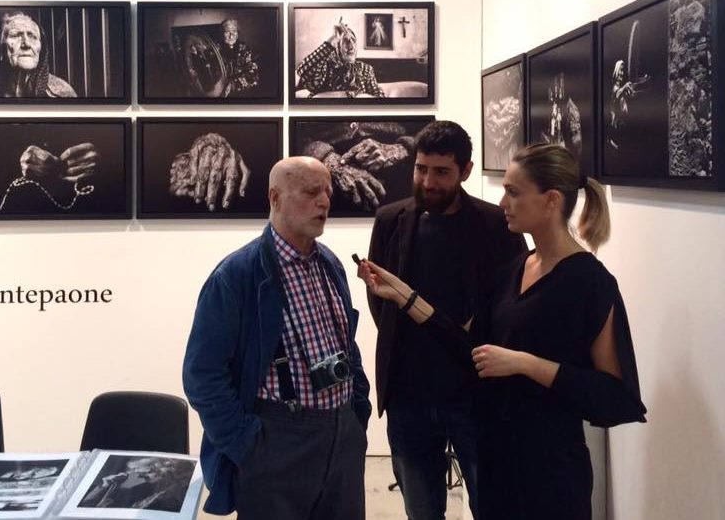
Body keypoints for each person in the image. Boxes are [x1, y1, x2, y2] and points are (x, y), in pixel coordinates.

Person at [359, 144, 647, 520]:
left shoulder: (590, 282)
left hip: (550, 470)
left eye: (513, 192)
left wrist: (528, 364)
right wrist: (405, 296)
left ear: (551, 200)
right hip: (499, 458)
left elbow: (616, 397)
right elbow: (472, 347)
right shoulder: (516, 269)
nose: (502, 202)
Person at [183, 156, 371, 520]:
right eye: (311, 192)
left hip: (342, 439)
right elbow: (202, 375)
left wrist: (356, 411)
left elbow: (347, 342)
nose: (324, 202)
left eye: (327, 192)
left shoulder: (330, 264)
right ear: (275, 197)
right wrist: (248, 445)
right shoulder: (237, 276)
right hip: (277, 443)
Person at [365, 120, 526, 520]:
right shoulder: (390, 219)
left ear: (465, 171)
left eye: (441, 172)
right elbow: (380, 299)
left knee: (495, 506)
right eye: (421, 169)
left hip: (478, 394)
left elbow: (513, 303)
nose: (428, 182)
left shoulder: (497, 224)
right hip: (409, 396)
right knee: (421, 510)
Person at [296, 19, 384, 98]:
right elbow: (302, 71)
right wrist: (331, 40)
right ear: (336, 46)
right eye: (346, 41)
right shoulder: (325, 67)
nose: (351, 46)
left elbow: (379, 96)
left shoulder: (366, 69)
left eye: (353, 41)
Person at [0, 12, 77, 98]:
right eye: (16, 35)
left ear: (41, 48)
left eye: (33, 37)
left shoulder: (63, 94)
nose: (27, 44)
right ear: (2, 47)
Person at [215, 19, 260, 97]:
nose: (231, 35)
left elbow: (253, 76)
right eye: (227, 32)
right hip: (220, 90)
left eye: (234, 31)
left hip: (240, 92)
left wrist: (233, 85)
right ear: (222, 34)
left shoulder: (244, 49)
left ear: (238, 34)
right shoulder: (216, 49)